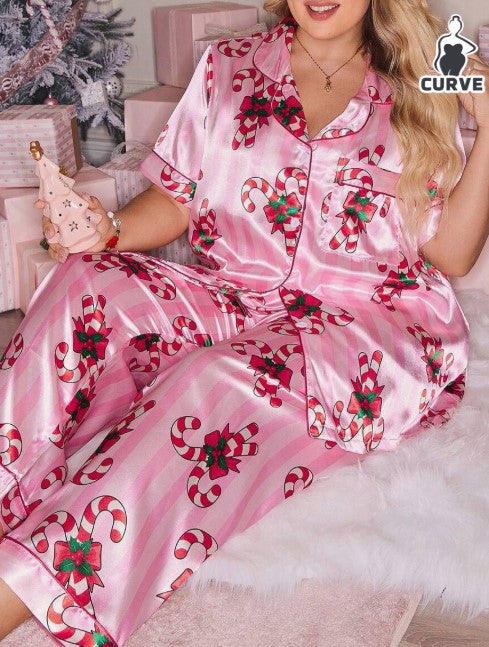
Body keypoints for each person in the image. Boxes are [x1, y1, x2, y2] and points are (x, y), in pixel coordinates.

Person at [1, 0, 488, 644]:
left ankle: (29, 587)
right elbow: (177, 200)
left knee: (216, 378)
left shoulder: (420, 83)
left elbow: (452, 254)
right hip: (231, 294)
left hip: (362, 324)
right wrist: (108, 230)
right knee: (83, 283)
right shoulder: (228, 67)